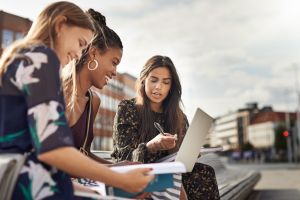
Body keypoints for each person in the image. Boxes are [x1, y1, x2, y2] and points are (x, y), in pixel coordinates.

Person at [0, 2, 153, 199]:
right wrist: (121, 180)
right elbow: (53, 151)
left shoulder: (23, 58)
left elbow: (47, 161)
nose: (79, 54)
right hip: (27, 186)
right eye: (81, 43)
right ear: (61, 25)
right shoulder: (43, 58)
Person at [111, 55, 220, 200]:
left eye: (166, 82)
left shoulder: (178, 116)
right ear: (144, 80)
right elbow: (123, 157)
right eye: (154, 80)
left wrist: (190, 153)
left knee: (205, 172)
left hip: (170, 172)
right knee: (176, 183)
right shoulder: (128, 108)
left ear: (171, 87)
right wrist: (151, 146)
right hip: (139, 173)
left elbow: (183, 159)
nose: (158, 87)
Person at [61, 8, 122, 164]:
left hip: (75, 183)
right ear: (93, 53)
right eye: (114, 62)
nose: (115, 72)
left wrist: (119, 167)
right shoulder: (54, 88)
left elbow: (84, 154)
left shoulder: (94, 101)